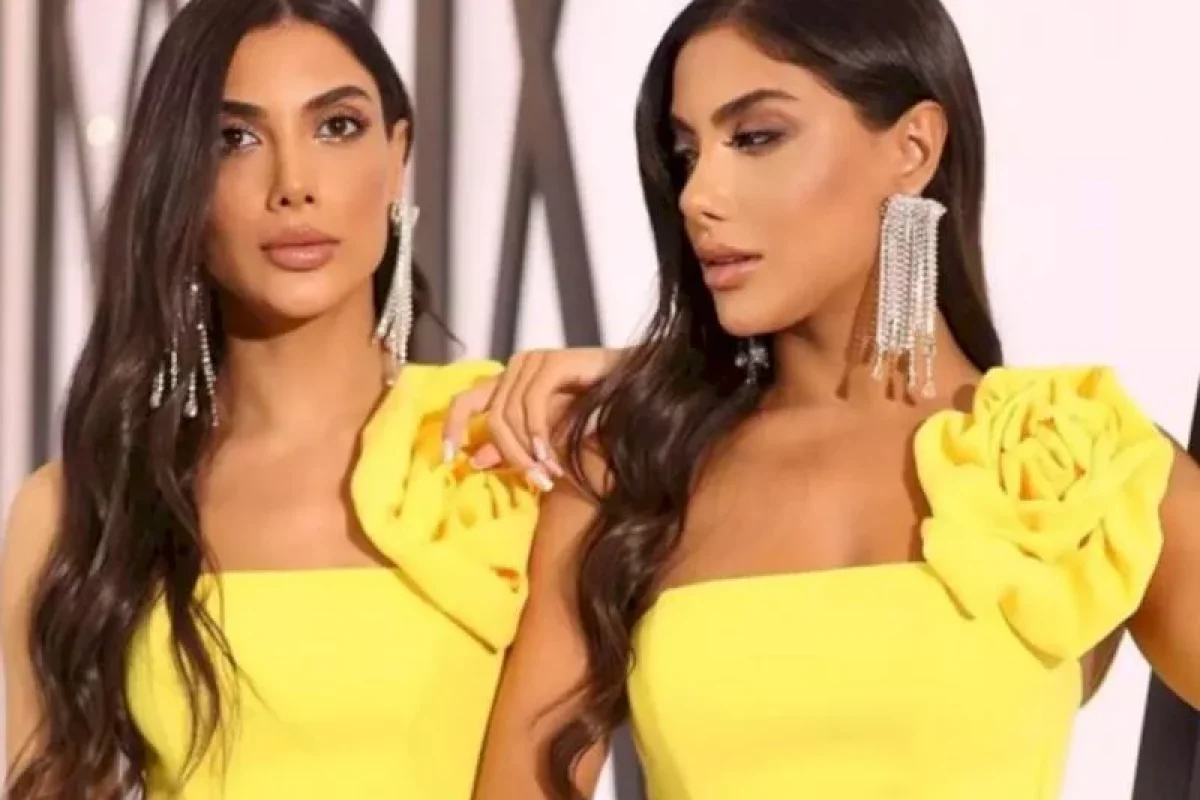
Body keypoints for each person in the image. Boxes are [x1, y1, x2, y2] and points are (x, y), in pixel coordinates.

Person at [450, 1, 1200, 798]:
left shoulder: (1078, 459)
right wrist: (652, 379)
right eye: (687, 153)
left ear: (913, 149)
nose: (697, 195)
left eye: (755, 137)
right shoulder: (628, 468)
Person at [0, 1, 537, 798]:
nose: (294, 186)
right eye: (235, 139)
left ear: (398, 157)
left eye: (337, 127)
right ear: (180, 180)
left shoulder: (503, 456)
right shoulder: (81, 509)